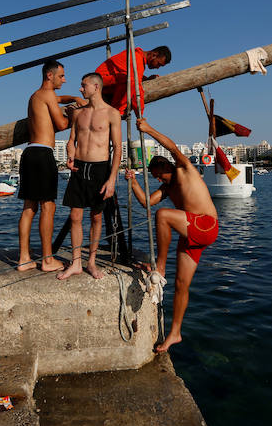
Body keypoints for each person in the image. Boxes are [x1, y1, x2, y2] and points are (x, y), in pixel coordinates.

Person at [124, 117, 218, 352]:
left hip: (206, 226)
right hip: (191, 235)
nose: (158, 180)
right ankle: (175, 333)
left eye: (159, 175)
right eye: (155, 177)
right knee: (180, 285)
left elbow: (172, 146)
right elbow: (146, 203)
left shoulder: (184, 169)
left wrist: (147, 129)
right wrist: (134, 182)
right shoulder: (167, 188)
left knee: (164, 215)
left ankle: (160, 267)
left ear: (167, 166)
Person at [17, 60, 86, 272]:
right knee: (49, 206)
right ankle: (47, 260)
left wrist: (73, 98)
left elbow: (58, 98)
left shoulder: (37, 96)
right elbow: (61, 125)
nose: (64, 80)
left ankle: (24, 259)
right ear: (50, 75)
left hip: (29, 153)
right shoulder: (47, 96)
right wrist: (73, 115)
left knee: (29, 207)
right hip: (43, 154)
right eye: (61, 76)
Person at [57, 73, 122, 280]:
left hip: (100, 169)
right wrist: (70, 154)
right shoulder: (78, 113)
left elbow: (118, 149)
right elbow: (71, 139)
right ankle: (76, 262)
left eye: (83, 85)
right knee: (75, 216)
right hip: (79, 168)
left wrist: (112, 179)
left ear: (96, 87)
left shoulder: (112, 114)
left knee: (96, 217)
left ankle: (91, 262)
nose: (80, 89)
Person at [94, 45, 171, 115]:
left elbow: (129, 73)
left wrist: (145, 79)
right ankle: (117, 111)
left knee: (130, 79)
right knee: (129, 80)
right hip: (98, 84)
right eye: (158, 64)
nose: (157, 67)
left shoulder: (136, 56)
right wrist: (139, 114)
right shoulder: (137, 59)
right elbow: (137, 89)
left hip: (102, 84)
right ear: (154, 55)